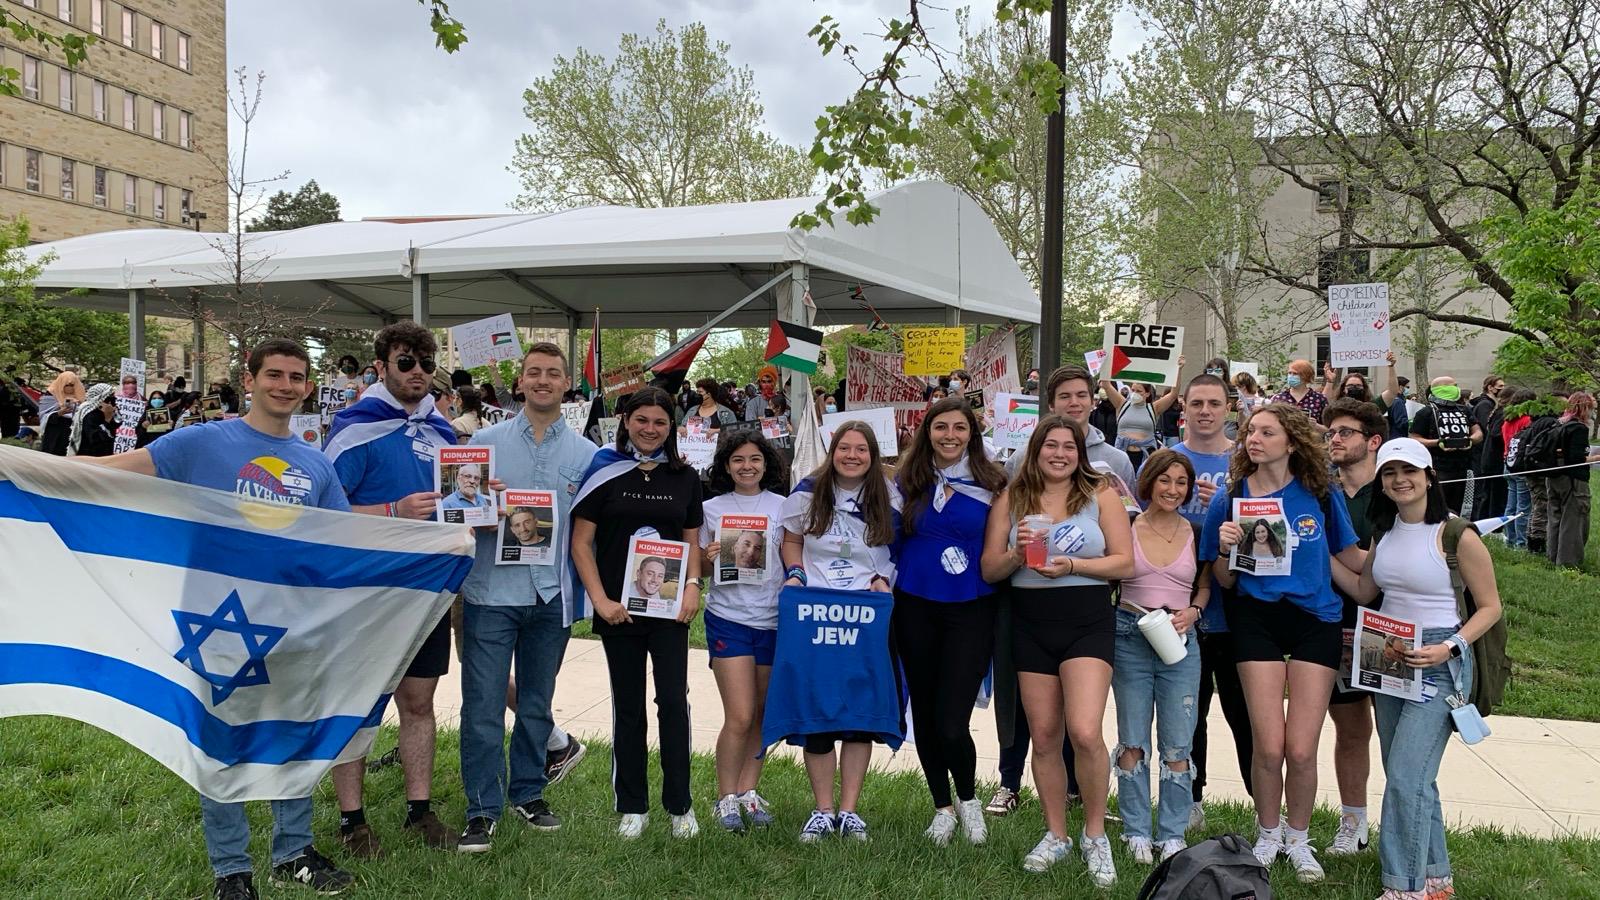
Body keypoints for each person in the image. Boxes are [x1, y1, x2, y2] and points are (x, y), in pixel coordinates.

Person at [86, 339, 355, 899]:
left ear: (308, 387)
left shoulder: (316, 464)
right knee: (220, 744)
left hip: (294, 624)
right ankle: (231, 869)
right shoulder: (200, 442)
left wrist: (440, 534)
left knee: (292, 736)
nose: (285, 385)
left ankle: (294, 852)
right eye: (274, 374)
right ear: (249, 379)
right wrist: (26, 466)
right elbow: (113, 472)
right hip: (217, 622)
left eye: (296, 377)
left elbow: (347, 541)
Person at [1204, 402, 1364, 883]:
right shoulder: (1230, 497)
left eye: (1266, 432)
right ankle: (1268, 833)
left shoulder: (1320, 493)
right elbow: (1222, 580)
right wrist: (1226, 548)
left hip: (1316, 618)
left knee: (1300, 748)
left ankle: (1299, 838)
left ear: (1291, 442)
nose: (1254, 439)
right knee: (1269, 745)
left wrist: (1416, 541)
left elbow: (1352, 558)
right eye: (1250, 431)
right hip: (1256, 618)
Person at [322, 321, 460, 855]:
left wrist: (480, 501)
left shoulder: (443, 432)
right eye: (406, 362)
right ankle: (352, 821)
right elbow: (323, 514)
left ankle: (419, 812)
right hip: (368, 589)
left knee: (419, 701)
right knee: (357, 702)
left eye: (426, 364)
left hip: (427, 586)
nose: (418, 372)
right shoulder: (355, 430)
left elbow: (455, 504)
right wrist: (392, 511)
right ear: (380, 367)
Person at [1345, 438, 1503, 900]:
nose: (1400, 480)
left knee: (1406, 777)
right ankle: (1435, 879)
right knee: (1410, 777)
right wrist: (1317, 552)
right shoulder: (1385, 532)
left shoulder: (1457, 534)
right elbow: (1363, 589)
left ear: (1429, 476)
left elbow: (1490, 607)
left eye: (1410, 471)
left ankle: (1404, 887)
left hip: (1438, 660)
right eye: (1390, 472)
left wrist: (1450, 647)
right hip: (1385, 653)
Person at [454, 342, 598, 853]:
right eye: (533, 372)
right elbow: (453, 513)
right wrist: (477, 507)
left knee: (536, 703)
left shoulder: (587, 455)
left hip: (550, 596)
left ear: (566, 383)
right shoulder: (482, 445)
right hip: (490, 592)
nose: (542, 380)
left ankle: (528, 793)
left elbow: (594, 530)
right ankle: (481, 809)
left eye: (552, 373)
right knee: (482, 707)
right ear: (520, 381)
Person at [980, 415, 1132, 883]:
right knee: (1044, 735)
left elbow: (1124, 563)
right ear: (1036, 450)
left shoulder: (1101, 492)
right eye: (1051, 445)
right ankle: (1056, 835)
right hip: (1029, 623)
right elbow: (989, 569)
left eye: (1069, 446)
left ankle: (1095, 835)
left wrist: (1072, 565)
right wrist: (1016, 554)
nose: (1060, 453)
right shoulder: (1012, 497)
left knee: (1084, 731)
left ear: (1079, 453)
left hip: (1086, 620)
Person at [570, 387, 703, 840]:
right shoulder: (603, 470)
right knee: (628, 707)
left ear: (671, 428)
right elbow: (581, 543)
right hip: (618, 612)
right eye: (642, 420)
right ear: (626, 421)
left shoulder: (685, 477)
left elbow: (692, 540)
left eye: (660, 422)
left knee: (673, 703)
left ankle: (680, 805)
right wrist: (600, 600)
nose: (650, 429)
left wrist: (692, 586)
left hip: (669, 612)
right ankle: (632, 806)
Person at [892, 397, 1008, 847]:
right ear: (928, 432)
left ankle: (969, 802)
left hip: (971, 606)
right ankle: (942, 808)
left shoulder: (994, 483)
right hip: (915, 604)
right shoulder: (907, 481)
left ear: (972, 434)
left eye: (960, 428)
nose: (950, 436)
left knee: (952, 721)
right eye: (941, 427)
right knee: (924, 711)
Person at [779, 421, 902, 843]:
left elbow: (899, 550)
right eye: (844, 448)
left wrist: (884, 579)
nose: (852, 456)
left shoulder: (890, 497)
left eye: (861, 449)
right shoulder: (808, 493)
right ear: (832, 453)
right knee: (819, 710)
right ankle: (823, 810)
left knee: (858, 713)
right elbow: (791, 540)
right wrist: (796, 573)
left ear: (873, 455)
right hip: (817, 613)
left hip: (867, 616)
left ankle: (849, 810)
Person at [1112, 448, 1207, 866]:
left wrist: (1195, 611)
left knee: (1178, 743)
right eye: (1165, 480)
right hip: (1129, 634)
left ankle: (1172, 833)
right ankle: (1135, 829)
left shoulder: (1197, 531)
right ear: (1148, 482)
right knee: (1132, 738)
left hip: (1180, 641)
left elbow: (1206, 585)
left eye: (1181, 482)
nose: (1173, 489)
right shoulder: (1126, 526)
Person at [1170, 374, 1251, 829]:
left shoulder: (1246, 460)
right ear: (1183, 406)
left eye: (1214, 403)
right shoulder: (1168, 459)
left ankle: (1264, 807)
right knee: (1188, 713)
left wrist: (1223, 505)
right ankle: (1190, 800)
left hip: (1238, 609)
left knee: (1246, 716)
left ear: (1228, 408)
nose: (1205, 411)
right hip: (1184, 610)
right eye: (1197, 403)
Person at [699, 431, 788, 832]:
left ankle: (749, 791)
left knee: (762, 714)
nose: (747, 466)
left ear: (766, 463)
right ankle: (725, 798)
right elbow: (700, 569)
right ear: (726, 465)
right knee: (739, 714)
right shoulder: (710, 509)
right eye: (738, 460)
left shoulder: (784, 507)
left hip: (773, 620)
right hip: (729, 618)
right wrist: (708, 558)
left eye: (754, 459)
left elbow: (793, 556)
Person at [1322, 397, 1389, 858]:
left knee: (1396, 730)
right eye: (1331, 433)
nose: (1335, 440)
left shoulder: (1394, 489)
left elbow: (1392, 565)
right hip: (1333, 621)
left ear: (1373, 440)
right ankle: (1354, 824)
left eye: (1345, 432)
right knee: (1349, 728)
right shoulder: (1321, 491)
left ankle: (1404, 823)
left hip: (1390, 624)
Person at [1408, 377, 1482, 514]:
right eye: (1453, 385)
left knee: (1459, 508)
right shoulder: (1426, 412)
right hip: (1438, 468)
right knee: (1437, 507)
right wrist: (1438, 442)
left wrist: (1469, 440)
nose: (1456, 388)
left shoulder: (1464, 410)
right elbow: (1414, 438)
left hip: (1463, 467)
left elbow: (1478, 433)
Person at [1101, 363, 1183, 471]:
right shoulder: (1122, 404)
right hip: (1122, 453)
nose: (1135, 393)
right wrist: (1106, 362)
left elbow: (1173, 394)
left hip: (1146, 456)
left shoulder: (1154, 408)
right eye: (1133, 390)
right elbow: (1106, 385)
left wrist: (1178, 369)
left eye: (1139, 391)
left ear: (1147, 393)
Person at [1547, 391, 1596, 568]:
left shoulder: (1559, 424)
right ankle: (1568, 562)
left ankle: (1553, 556)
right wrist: (1596, 458)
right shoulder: (1579, 429)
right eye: (1591, 408)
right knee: (1573, 520)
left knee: (1555, 517)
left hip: (1555, 477)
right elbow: (1576, 458)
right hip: (1573, 480)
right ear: (1584, 408)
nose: (1592, 412)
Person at [1499, 389, 1536, 549]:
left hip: (1508, 463)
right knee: (1523, 507)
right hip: (1521, 465)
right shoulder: (1526, 420)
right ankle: (1521, 542)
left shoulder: (1507, 421)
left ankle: (1510, 539)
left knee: (1511, 505)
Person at [1472, 385, 1514, 521]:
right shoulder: (1502, 414)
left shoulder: (1497, 412)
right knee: (1494, 495)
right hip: (1494, 458)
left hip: (1490, 458)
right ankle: (1493, 522)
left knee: (1491, 494)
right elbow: (1496, 433)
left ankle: (1487, 520)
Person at [1270, 359, 1328, 423]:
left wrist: (1316, 425)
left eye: (1295, 374)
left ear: (1305, 376)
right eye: (1289, 373)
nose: (1291, 376)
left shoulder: (1319, 399)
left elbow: (1329, 427)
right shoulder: (1278, 398)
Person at [71, 386, 118, 458]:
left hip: (105, 454)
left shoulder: (105, 411)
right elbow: (95, 438)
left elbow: (117, 424)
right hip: (89, 456)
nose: (112, 400)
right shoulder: (88, 414)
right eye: (109, 397)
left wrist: (112, 413)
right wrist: (107, 419)